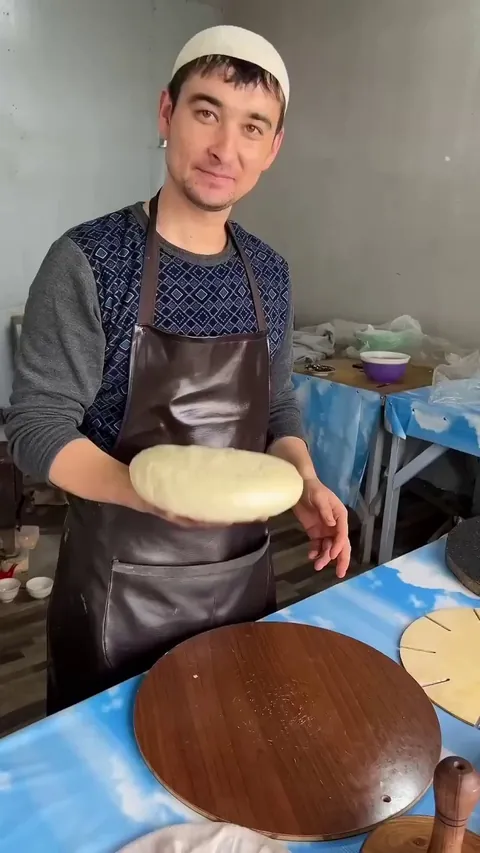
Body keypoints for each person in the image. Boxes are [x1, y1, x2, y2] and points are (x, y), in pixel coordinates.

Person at [5, 25, 351, 713]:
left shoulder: (269, 274)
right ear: (167, 114)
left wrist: (305, 478)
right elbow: (36, 426)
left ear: (273, 148)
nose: (226, 148)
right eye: (206, 112)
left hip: (240, 583)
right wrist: (145, 493)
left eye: (253, 126)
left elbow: (277, 405)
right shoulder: (89, 260)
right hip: (117, 591)